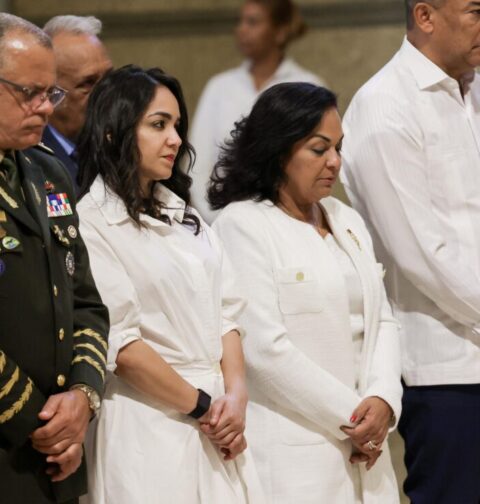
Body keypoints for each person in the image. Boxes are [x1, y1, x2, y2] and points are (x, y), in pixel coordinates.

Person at [76, 65, 264, 504]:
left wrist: (236, 395)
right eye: (158, 125)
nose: (176, 139)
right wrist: (202, 406)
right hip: (147, 422)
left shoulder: (185, 214)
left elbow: (228, 312)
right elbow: (121, 346)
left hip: (219, 418)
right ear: (113, 132)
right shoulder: (91, 223)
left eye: (177, 125)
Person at [209, 82, 402, 503]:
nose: (335, 161)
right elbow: (264, 350)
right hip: (298, 452)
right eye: (319, 149)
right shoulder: (242, 225)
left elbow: (382, 318)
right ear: (279, 151)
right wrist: (354, 418)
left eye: (338, 147)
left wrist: (384, 398)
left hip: (369, 444)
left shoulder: (345, 217)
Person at [341, 1, 480, 502]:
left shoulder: (475, 86)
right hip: (447, 368)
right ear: (425, 16)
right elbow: (423, 255)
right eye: (476, 10)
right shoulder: (384, 104)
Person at [0, 14, 109, 504]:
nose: (45, 107)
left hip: (55, 454)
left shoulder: (48, 172)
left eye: (52, 93)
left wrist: (82, 397)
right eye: (30, 93)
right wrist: (39, 421)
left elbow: (85, 303)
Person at [190, 0, 325, 223]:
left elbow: (317, 160)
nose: (241, 29)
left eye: (252, 22)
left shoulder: (308, 86)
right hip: (223, 217)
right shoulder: (220, 86)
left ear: (280, 32)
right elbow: (197, 162)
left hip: (291, 220)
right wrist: (218, 216)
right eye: (240, 21)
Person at [42, 15, 112, 193]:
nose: (107, 92)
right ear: (50, 92)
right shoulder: (27, 161)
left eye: (109, 77)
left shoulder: (122, 148)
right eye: (88, 83)